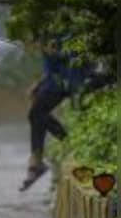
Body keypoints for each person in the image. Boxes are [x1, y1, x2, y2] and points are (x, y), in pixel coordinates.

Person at [21, 43, 112, 191]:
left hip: (65, 82)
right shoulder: (45, 36)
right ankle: (38, 161)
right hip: (55, 82)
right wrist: (38, 85)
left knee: (36, 113)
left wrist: (54, 51)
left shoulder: (54, 33)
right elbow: (52, 67)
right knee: (35, 115)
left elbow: (70, 55)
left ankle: (59, 147)